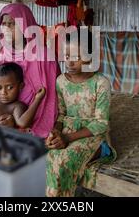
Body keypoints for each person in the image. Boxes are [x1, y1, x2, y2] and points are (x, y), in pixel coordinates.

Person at [45, 30, 116, 197]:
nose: (70, 62)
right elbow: (62, 114)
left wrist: (67, 138)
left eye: (77, 57)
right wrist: (56, 131)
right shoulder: (61, 81)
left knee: (63, 162)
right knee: (46, 154)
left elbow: (101, 123)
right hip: (67, 130)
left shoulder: (100, 83)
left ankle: (103, 150)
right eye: (67, 55)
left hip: (92, 133)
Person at [0, 3, 61, 138]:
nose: (7, 28)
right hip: (7, 115)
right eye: (4, 24)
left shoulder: (44, 55)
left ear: (26, 26)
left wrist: (17, 123)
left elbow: (51, 97)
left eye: (12, 24)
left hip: (33, 119)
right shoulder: (3, 54)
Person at [0, 62, 45, 130]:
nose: (3, 92)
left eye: (9, 87)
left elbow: (22, 123)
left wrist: (37, 99)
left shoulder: (16, 106)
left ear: (20, 86)